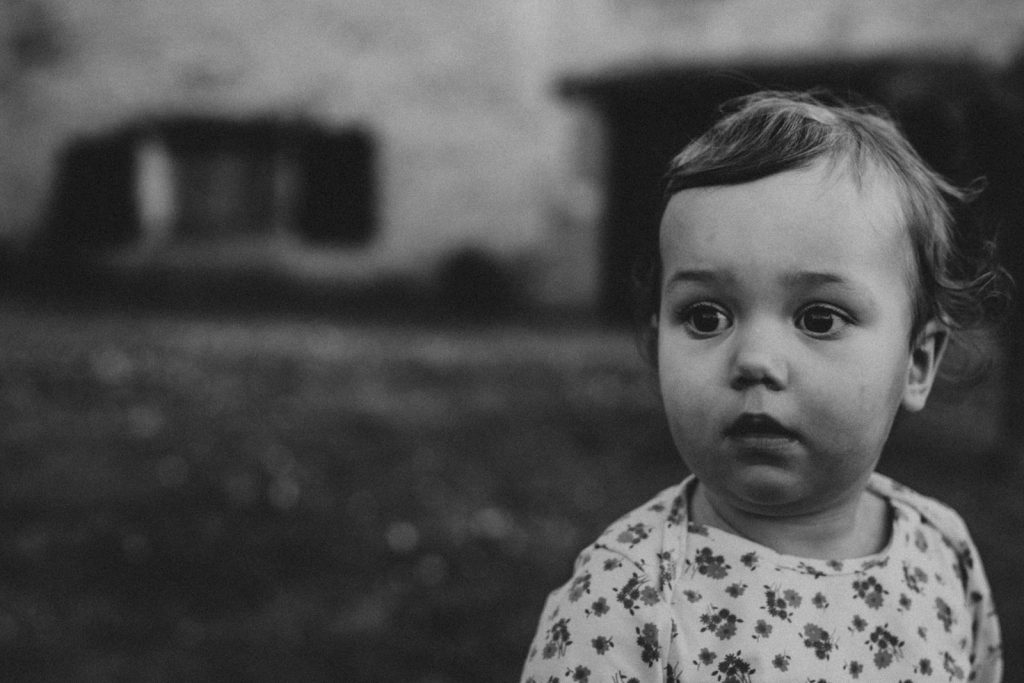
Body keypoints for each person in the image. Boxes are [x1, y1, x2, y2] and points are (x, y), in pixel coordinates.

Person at [521, 91, 1005, 683]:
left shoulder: (941, 552)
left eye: (819, 318)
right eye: (706, 317)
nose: (754, 361)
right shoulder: (625, 602)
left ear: (917, 362)